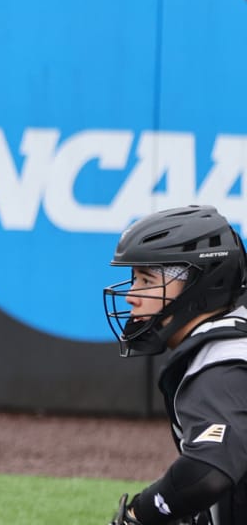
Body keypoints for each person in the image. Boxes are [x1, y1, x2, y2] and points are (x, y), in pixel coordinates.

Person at [103, 204, 247, 525]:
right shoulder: (234, 339)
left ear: (200, 282)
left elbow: (208, 472)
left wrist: (140, 513)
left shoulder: (222, 361)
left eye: (146, 279)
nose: (131, 295)